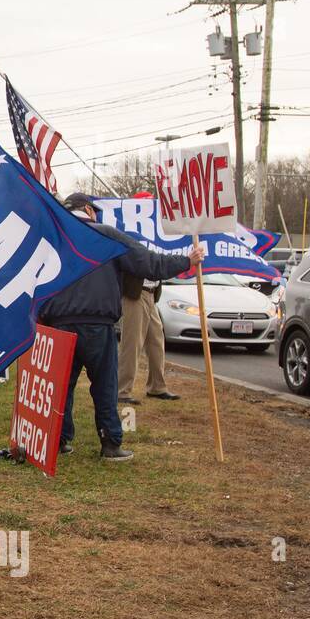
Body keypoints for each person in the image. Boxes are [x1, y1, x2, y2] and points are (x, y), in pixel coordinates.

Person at [40, 193, 202, 461]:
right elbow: (150, 263)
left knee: (60, 387)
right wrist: (187, 261)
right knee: (104, 385)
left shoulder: (54, 239)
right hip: (97, 324)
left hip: (59, 324)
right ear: (89, 212)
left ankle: (59, 441)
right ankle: (110, 444)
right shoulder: (107, 236)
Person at [118, 274, 177, 403]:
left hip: (152, 294)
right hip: (136, 295)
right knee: (132, 344)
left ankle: (157, 387)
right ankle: (122, 391)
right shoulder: (135, 252)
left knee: (156, 342)